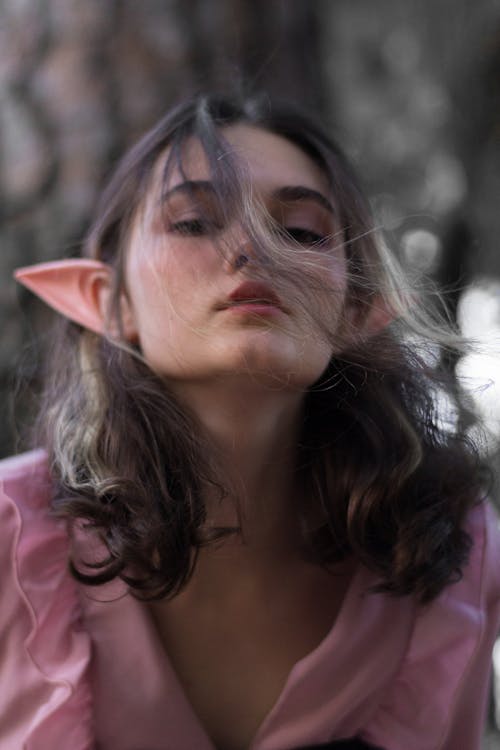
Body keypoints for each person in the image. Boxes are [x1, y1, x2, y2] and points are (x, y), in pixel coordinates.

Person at [2, 92, 500, 750]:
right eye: (193, 222)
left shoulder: (456, 553)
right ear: (107, 300)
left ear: (358, 309)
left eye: (300, 231)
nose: (251, 250)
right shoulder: (11, 540)